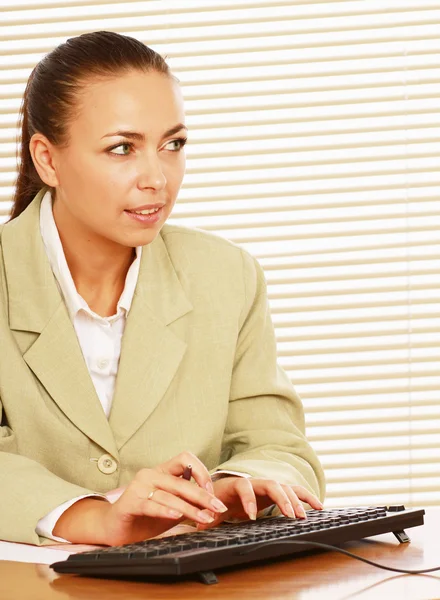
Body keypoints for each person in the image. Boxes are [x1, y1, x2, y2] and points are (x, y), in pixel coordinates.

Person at [0, 31, 325, 547]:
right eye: (122, 148)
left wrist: (233, 486)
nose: (158, 178)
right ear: (47, 159)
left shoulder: (227, 275)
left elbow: (277, 444)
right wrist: (92, 517)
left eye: (172, 144)